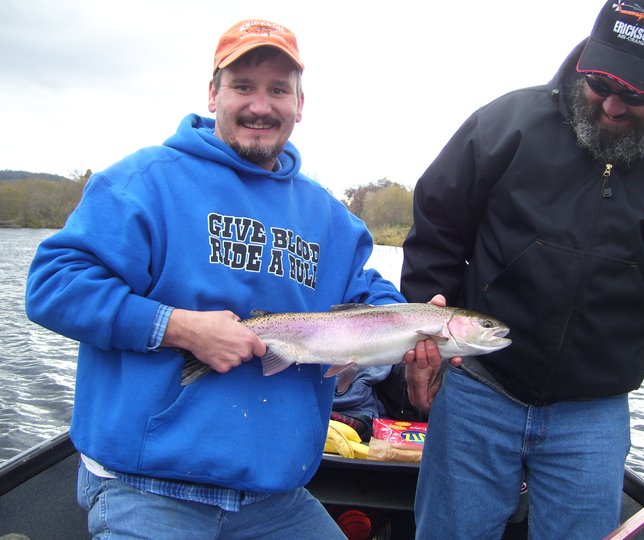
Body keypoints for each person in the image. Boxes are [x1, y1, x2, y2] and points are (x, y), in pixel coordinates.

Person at [25, 19, 407, 539]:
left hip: (275, 500)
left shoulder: (330, 219)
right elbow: (54, 284)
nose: (260, 106)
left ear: (300, 104)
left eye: (278, 90)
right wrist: (178, 327)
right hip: (148, 489)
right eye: (243, 87)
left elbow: (366, 293)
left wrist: (418, 325)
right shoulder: (144, 183)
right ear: (213, 94)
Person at [401, 0, 644, 538]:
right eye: (600, 82)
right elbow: (437, 229)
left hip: (593, 419)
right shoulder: (505, 125)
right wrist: (425, 342)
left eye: (635, 94)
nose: (612, 105)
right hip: (478, 389)